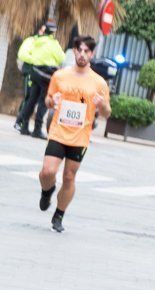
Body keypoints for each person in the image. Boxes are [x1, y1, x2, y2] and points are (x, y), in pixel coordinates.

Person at [37, 35, 110, 233]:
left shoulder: (99, 82)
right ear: (74, 51)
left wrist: (101, 104)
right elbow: (48, 101)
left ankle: (59, 214)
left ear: (92, 54)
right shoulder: (60, 76)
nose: (83, 55)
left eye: (87, 51)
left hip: (80, 136)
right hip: (59, 131)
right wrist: (53, 101)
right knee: (47, 172)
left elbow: (106, 113)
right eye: (80, 50)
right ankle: (47, 190)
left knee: (69, 176)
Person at [15, 22, 65, 139]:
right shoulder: (53, 43)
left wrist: (36, 60)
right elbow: (61, 57)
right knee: (43, 101)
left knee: (31, 99)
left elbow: (25, 54)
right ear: (52, 32)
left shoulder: (35, 41)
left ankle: (24, 126)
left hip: (34, 72)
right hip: (46, 75)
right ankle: (37, 129)